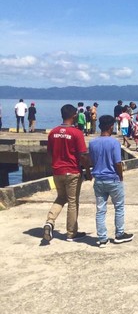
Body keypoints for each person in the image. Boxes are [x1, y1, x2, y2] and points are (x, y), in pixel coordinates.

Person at [42, 104, 92, 243]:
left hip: (57, 170)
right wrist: (88, 171)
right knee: (72, 202)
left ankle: (50, 221)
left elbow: (50, 153)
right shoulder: (76, 133)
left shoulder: (53, 132)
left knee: (60, 198)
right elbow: (82, 155)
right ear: (74, 115)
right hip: (72, 171)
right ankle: (71, 233)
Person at [89, 115, 134, 247]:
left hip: (99, 180)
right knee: (119, 207)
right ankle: (119, 234)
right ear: (111, 127)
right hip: (113, 179)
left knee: (100, 210)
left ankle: (102, 238)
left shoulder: (92, 143)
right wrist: (120, 176)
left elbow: (92, 160)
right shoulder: (114, 143)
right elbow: (117, 163)